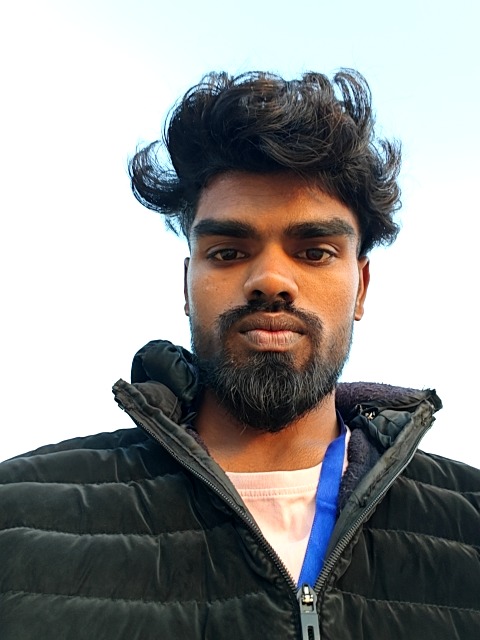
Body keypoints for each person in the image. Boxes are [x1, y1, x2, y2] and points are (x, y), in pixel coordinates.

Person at [1, 69, 479, 640]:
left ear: (362, 288)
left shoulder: (469, 522)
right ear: (186, 285)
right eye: (228, 252)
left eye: (315, 252)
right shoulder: (18, 516)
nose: (270, 280)